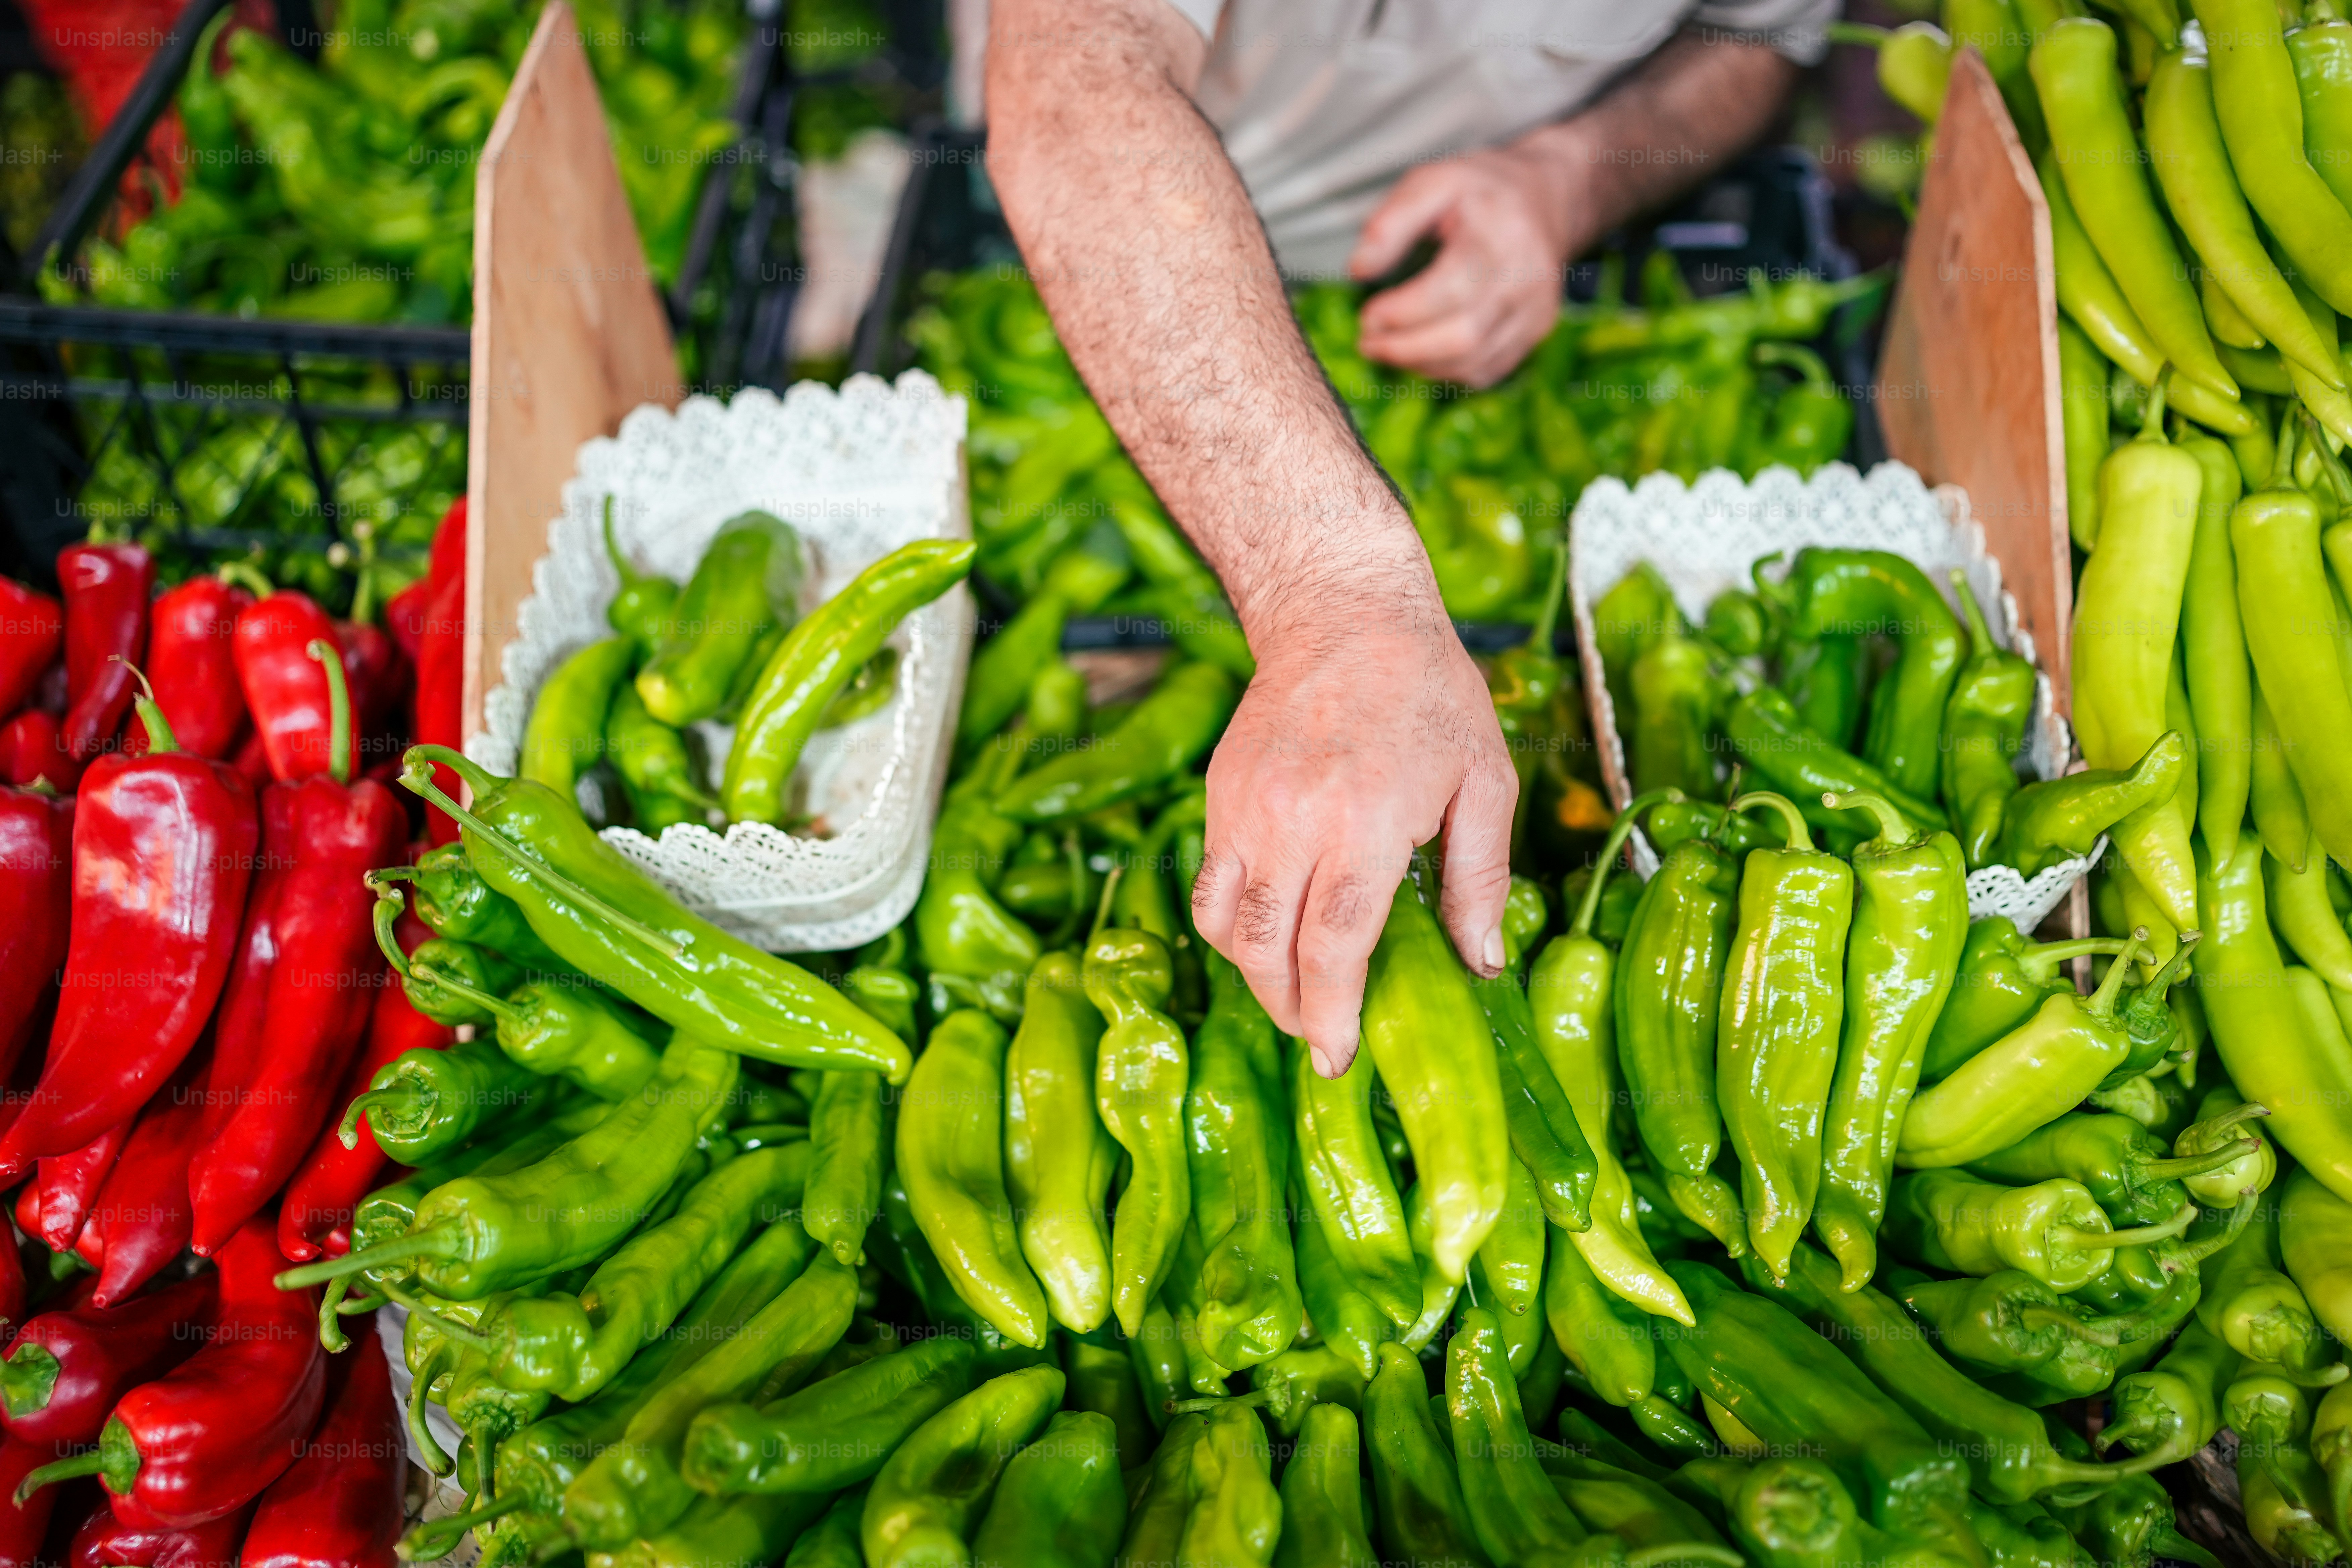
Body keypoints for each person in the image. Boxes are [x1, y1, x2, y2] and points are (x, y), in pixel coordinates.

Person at [984, 0, 1832, 1074]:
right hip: (1147, 265)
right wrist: (1339, 602)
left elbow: (1754, 45)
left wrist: (1569, 180)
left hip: (1512, 256)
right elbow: (1073, 81)